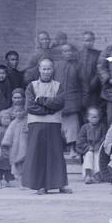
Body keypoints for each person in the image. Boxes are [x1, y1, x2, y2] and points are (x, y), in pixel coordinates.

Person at [22, 59, 71, 194]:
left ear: (53, 70)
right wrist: (48, 110)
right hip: (36, 123)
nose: (46, 71)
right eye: (44, 68)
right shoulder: (31, 86)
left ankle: (60, 184)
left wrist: (42, 101)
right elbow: (30, 106)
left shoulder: (58, 86)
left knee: (55, 154)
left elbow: (59, 103)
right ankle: (40, 185)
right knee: (38, 154)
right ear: (39, 69)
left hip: (54, 123)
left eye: (49, 69)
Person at [53, 44, 85, 159]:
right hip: (59, 100)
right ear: (62, 54)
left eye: (69, 51)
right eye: (65, 52)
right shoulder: (56, 65)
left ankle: (73, 149)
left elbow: (83, 83)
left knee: (73, 126)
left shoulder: (78, 65)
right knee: (58, 126)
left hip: (73, 100)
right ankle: (59, 149)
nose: (68, 54)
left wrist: (82, 99)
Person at [76, 106, 106, 184]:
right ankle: (88, 175)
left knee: (98, 157)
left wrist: (99, 145)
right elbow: (80, 140)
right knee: (89, 155)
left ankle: (97, 175)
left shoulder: (102, 127)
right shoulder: (84, 127)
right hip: (87, 149)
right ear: (87, 117)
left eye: (96, 117)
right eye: (92, 117)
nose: (94, 119)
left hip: (98, 149)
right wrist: (87, 147)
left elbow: (104, 137)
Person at [77, 31, 102, 112]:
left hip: (94, 89)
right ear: (82, 41)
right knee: (82, 112)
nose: (88, 43)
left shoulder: (98, 54)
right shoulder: (78, 55)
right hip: (81, 90)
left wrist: (94, 82)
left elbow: (100, 70)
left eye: (90, 40)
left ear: (93, 41)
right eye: (86, 40)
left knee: (94, 111)